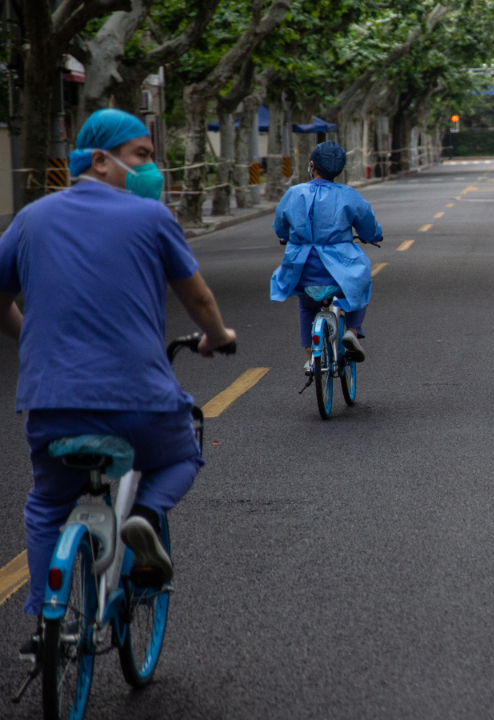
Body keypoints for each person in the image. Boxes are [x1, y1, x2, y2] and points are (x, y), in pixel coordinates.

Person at [0, 109, 236, 657]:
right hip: (141, 405)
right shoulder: (152, 220)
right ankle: (143, 520)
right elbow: (197, 299)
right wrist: (217, 335)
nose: (152, 169)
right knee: (181, 456)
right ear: (100, 161)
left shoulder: (32, 220)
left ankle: (44, 625)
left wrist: (31, 337)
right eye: (143, 155)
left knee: (45, 505)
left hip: (52, 404)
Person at [271, 142, 383, 375]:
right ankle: (352, 331)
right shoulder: (349, 195)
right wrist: (373, 236)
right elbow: (369, 228)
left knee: (306, 304)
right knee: (361, 282)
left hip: (302, 270)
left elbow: (280, 228)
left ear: (311, 166)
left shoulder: (293, 193)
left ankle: (309, 357)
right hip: (339, 271)